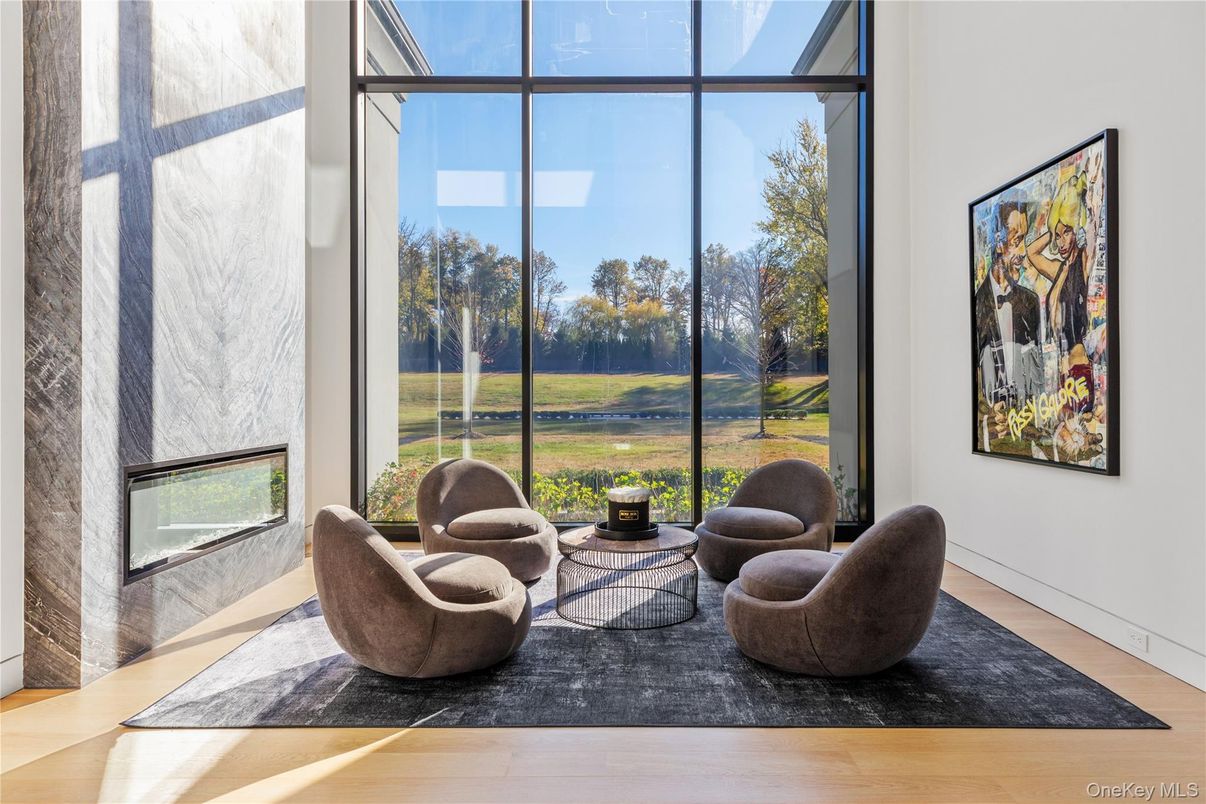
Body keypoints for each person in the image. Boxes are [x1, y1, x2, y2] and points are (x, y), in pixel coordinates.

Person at [975, 202, 1043, 422]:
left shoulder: (1030, 302)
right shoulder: (976, 303)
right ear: (998, 242)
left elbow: (1037, 377)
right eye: (1017, 241)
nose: (1023, 252)